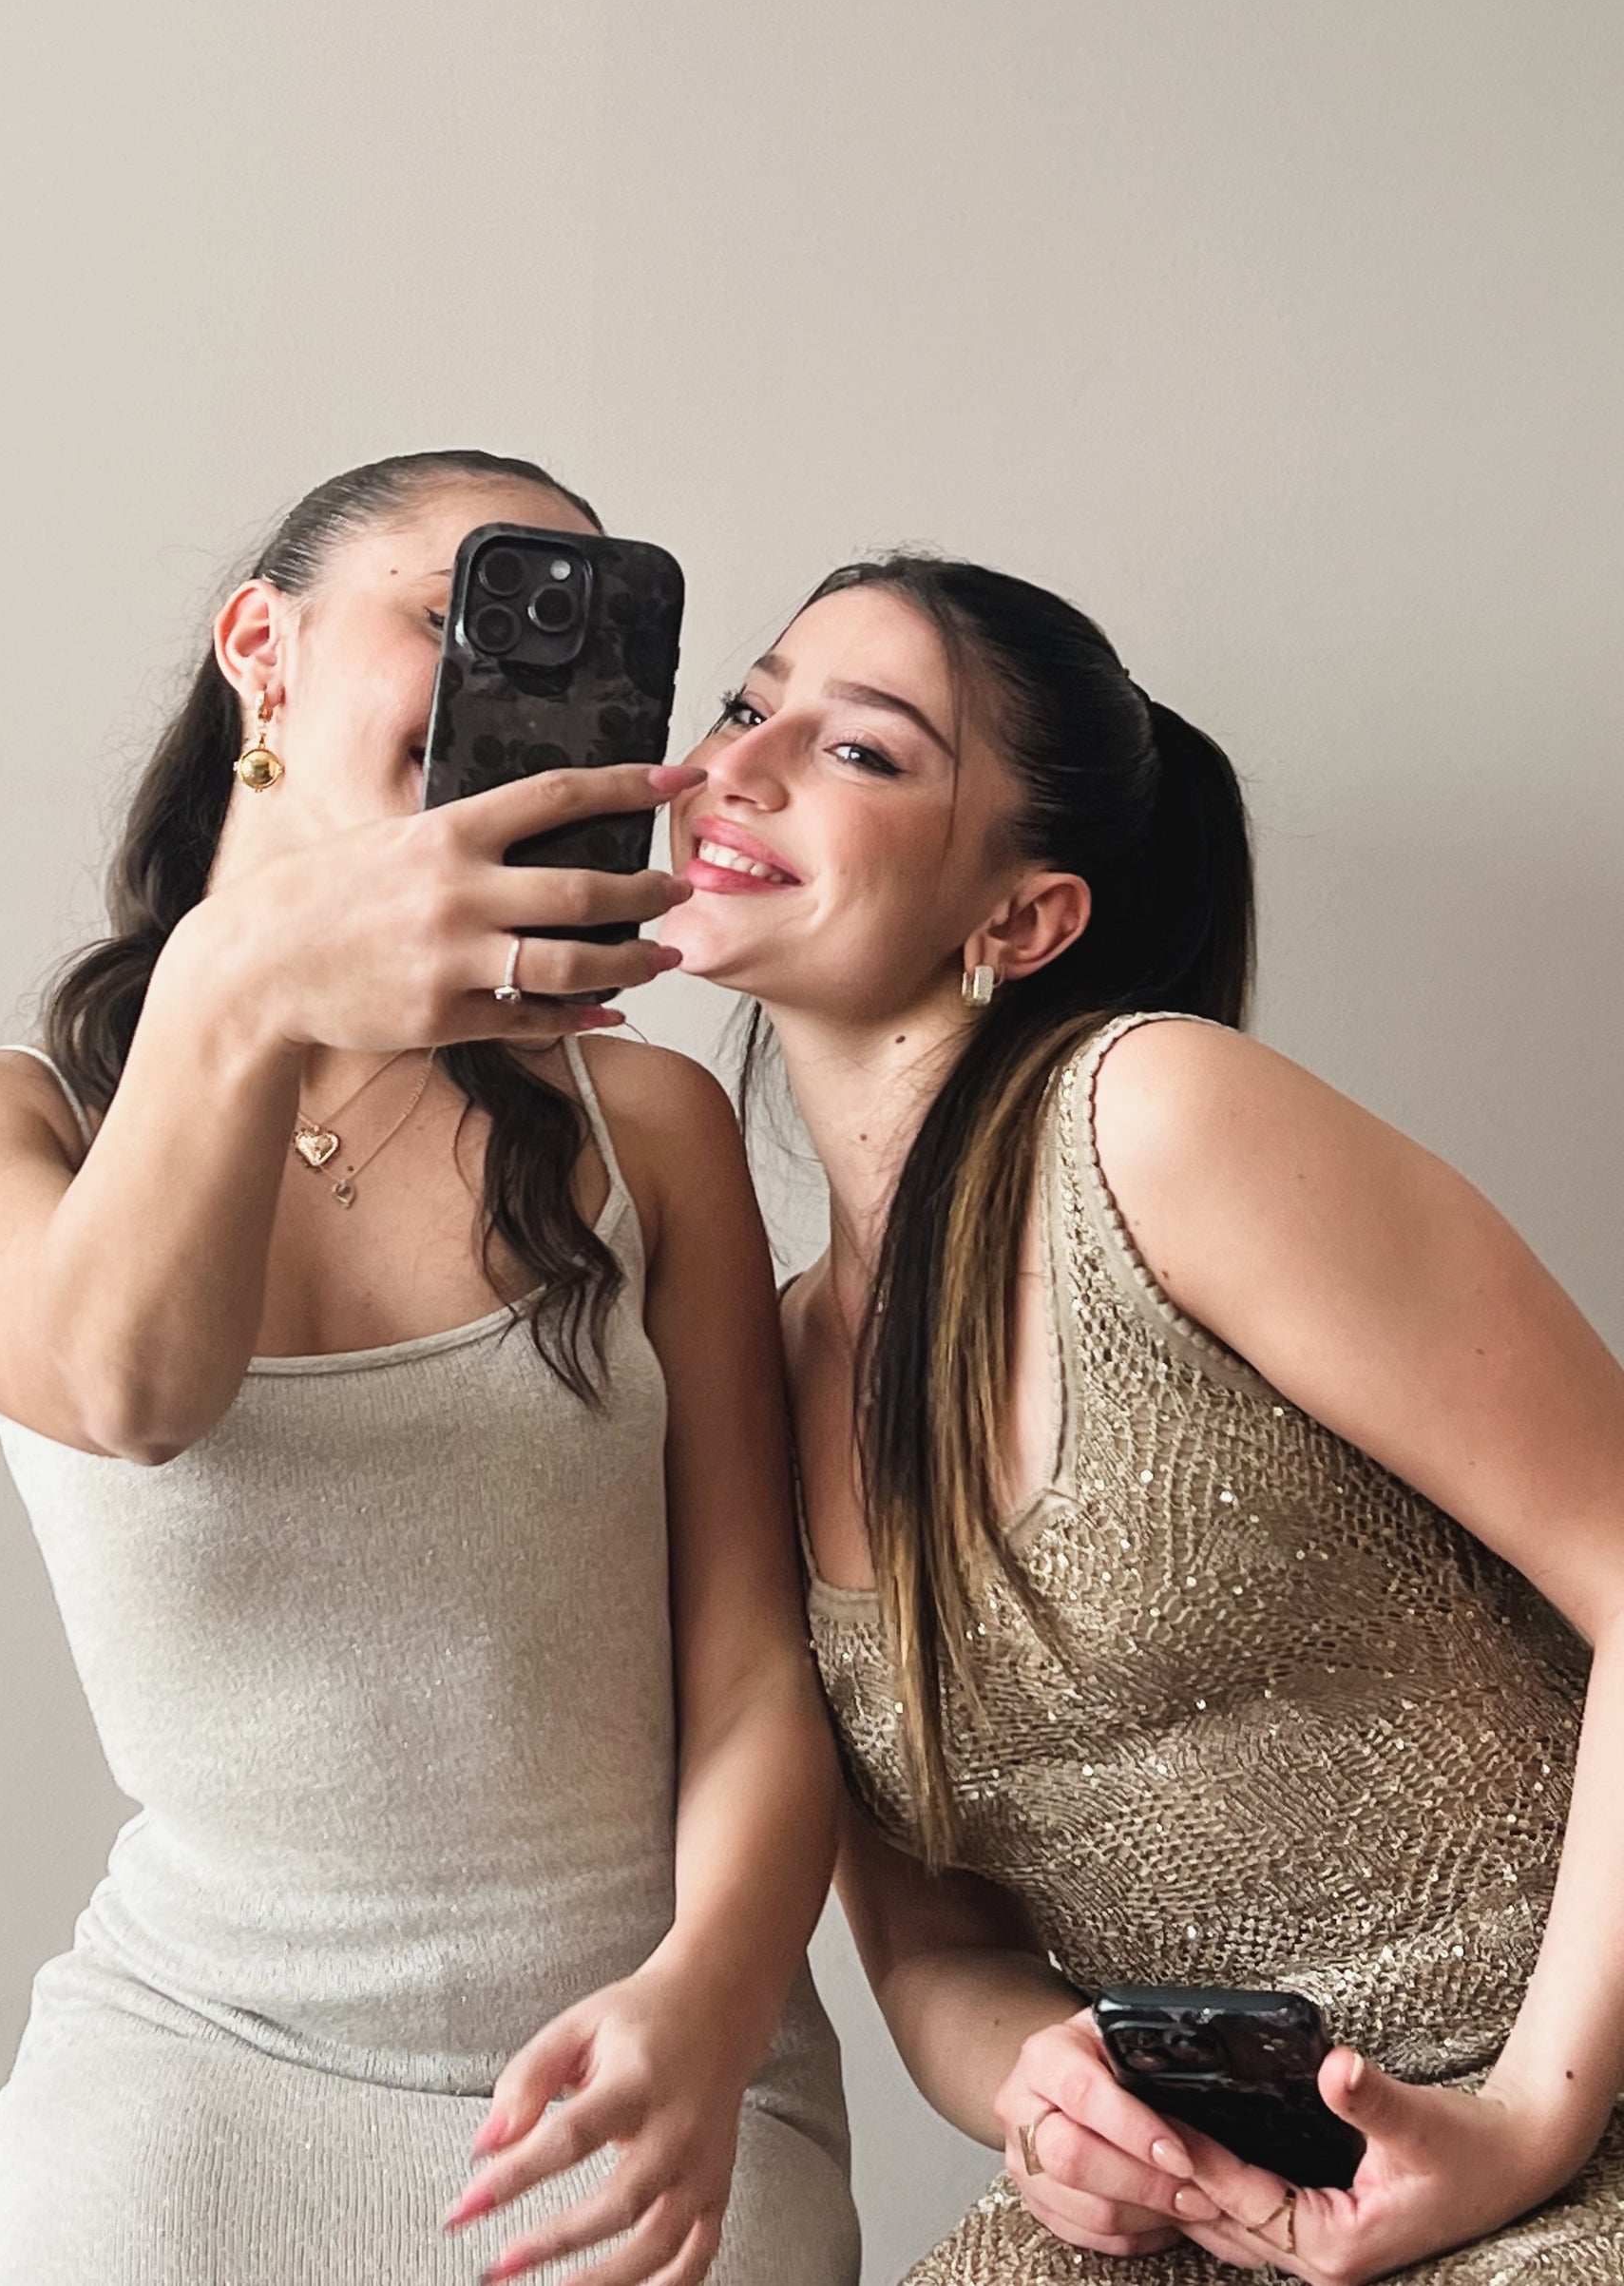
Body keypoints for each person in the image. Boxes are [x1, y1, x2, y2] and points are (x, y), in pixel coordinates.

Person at [0, 451, 859, 2286]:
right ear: (265, 650)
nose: (521, 700)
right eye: (466, 614)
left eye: (581, 655)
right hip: (193, 2081)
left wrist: (711, 2008)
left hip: (644, 2069)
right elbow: (127, 1389)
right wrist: (244, 982)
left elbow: (750, 1674)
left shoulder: (650, 1123)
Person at [656, 551, 1624, 2282]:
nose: (741, 759)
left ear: (1021, 920)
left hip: (1573, 2113)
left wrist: (1527, 2128)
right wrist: (1054, 2101)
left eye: (863, 749)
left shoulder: (1152, 1123)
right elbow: (932, 1944)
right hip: (1233, 2207)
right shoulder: (768, 1351)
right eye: (745, 704)